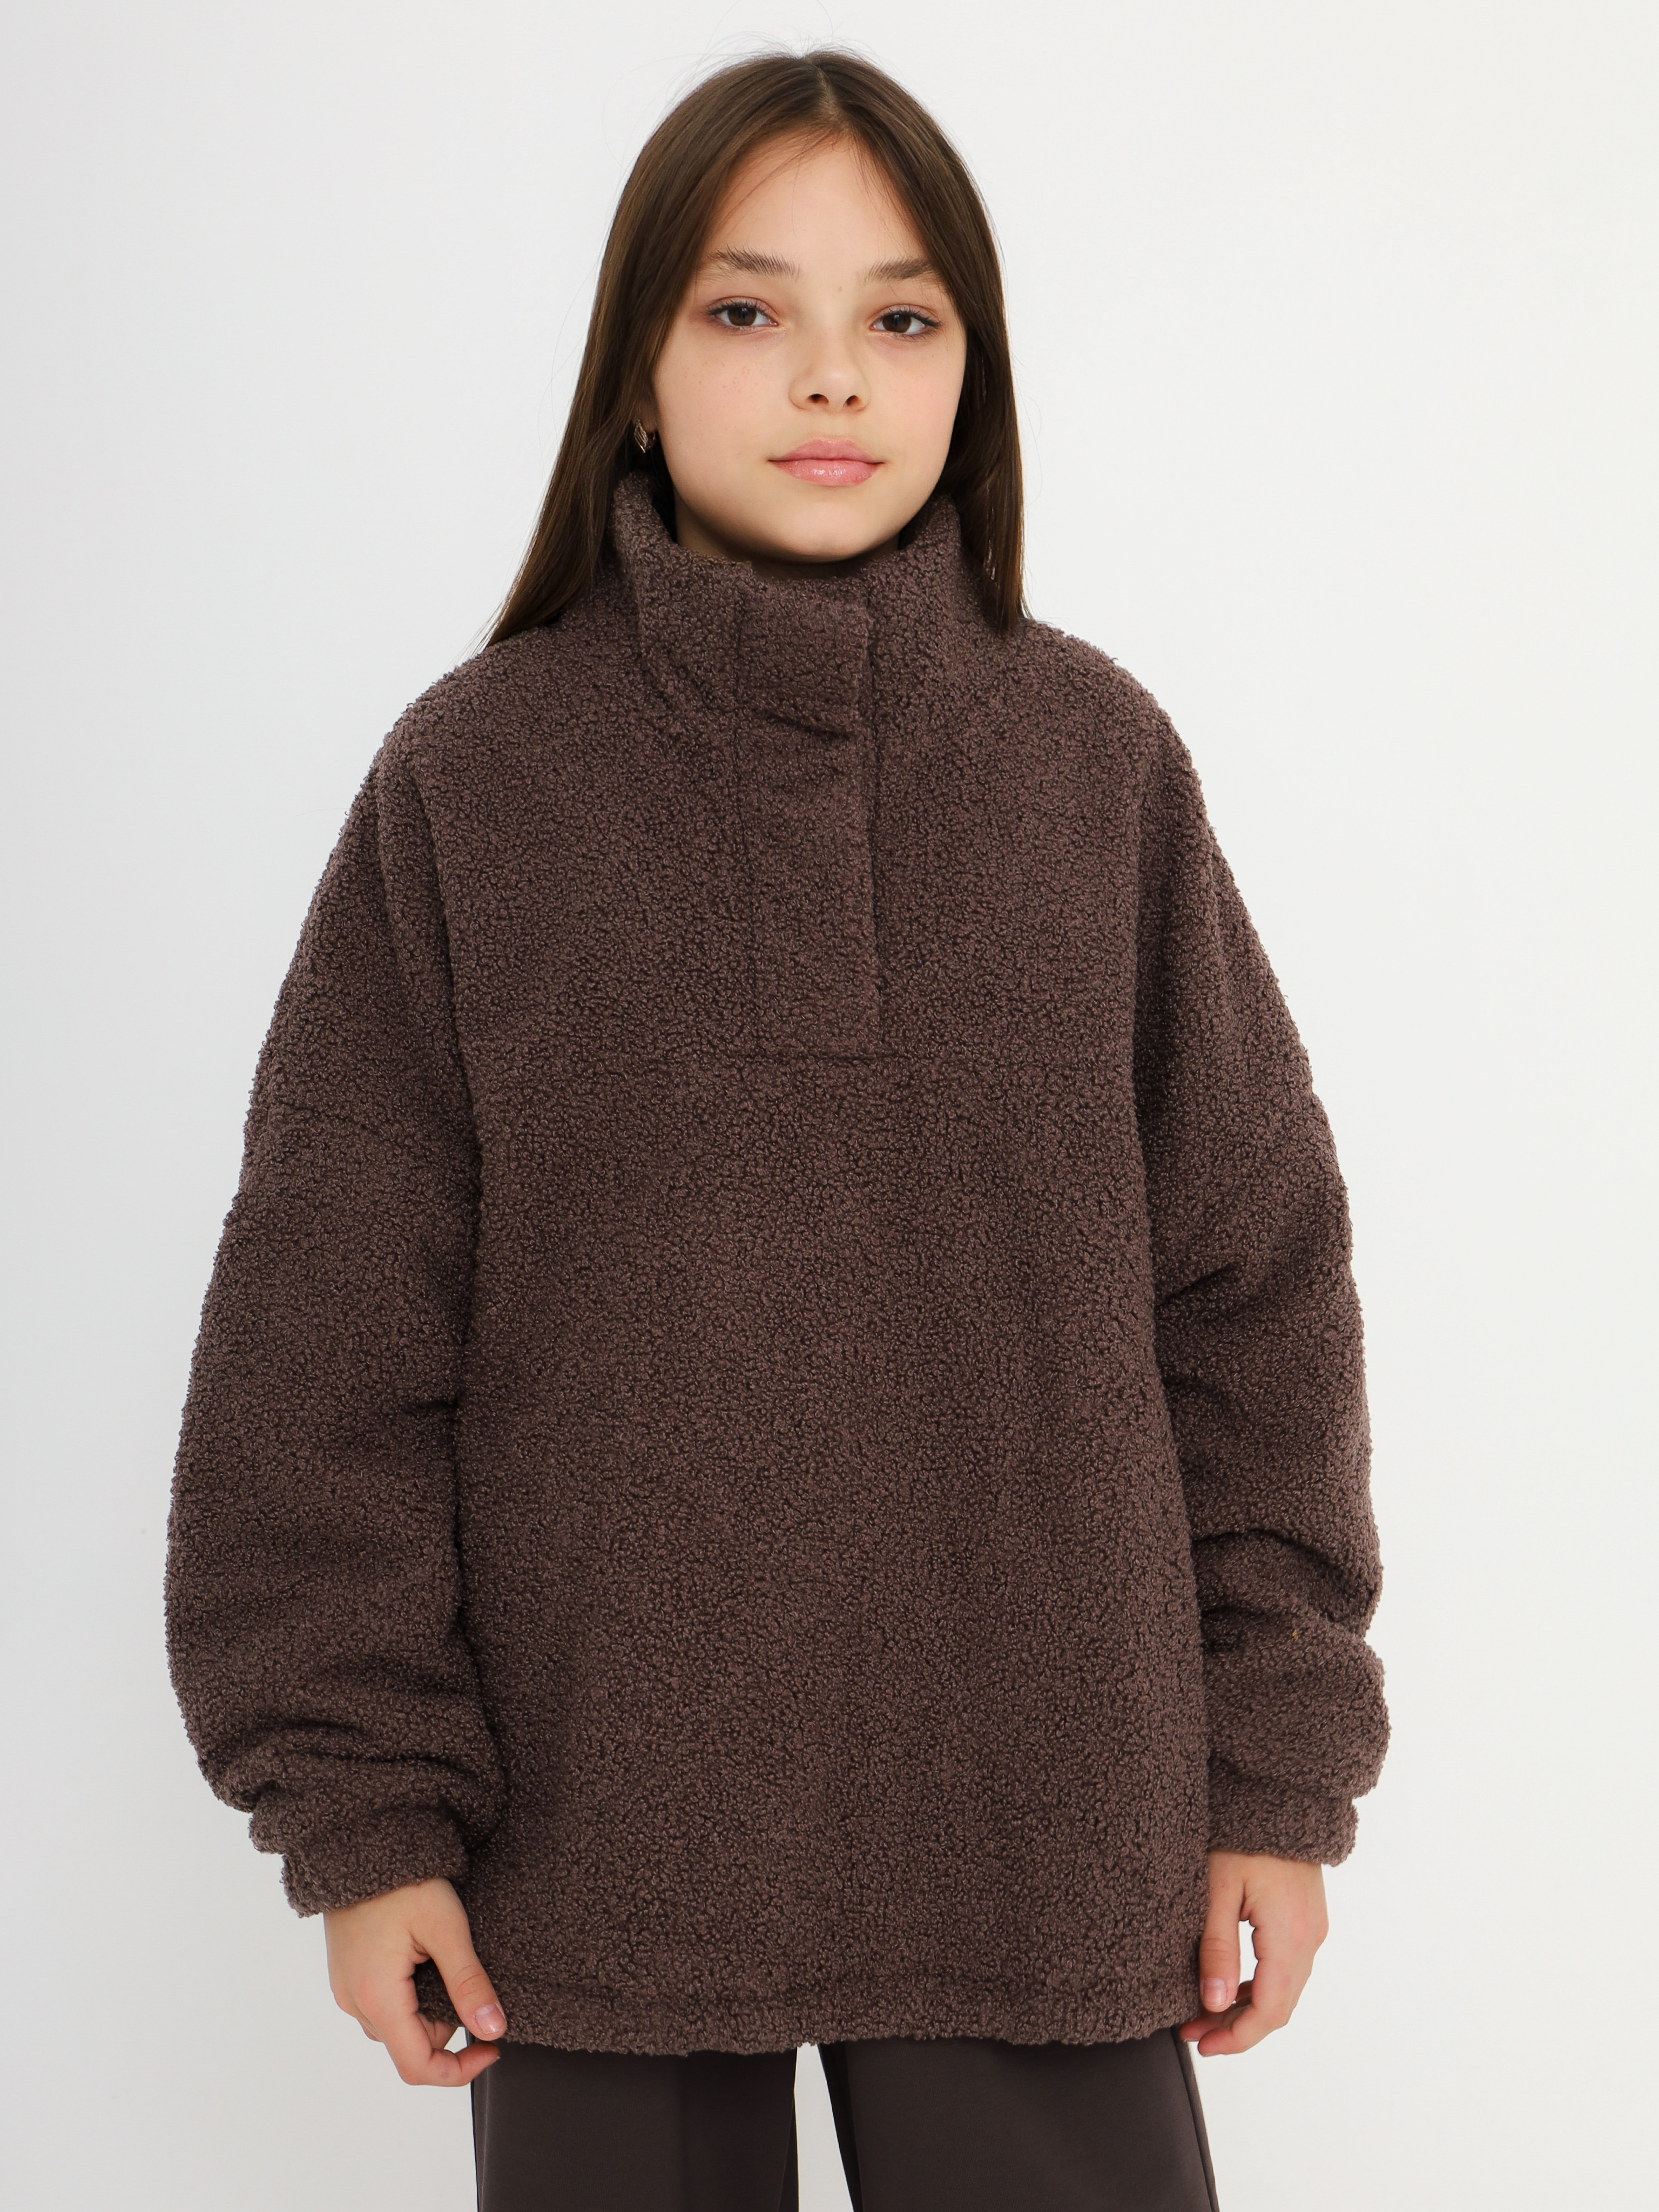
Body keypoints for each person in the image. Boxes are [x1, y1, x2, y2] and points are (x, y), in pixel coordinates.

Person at [165, 46, 1388, 2212]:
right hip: (592, 1850)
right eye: (747, 308)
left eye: (901, 315)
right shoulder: (475, 784)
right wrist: (362, 1819)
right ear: (635, 372)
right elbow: (324, 1346)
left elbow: (1254, 1291)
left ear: (969, 374)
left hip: (1047, 1814)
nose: (832, 372)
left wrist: (1274, 1772)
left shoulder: (1093, 765)